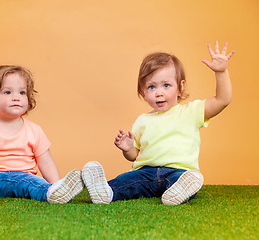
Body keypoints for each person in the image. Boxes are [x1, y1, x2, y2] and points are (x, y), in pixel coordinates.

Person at [82, 41, 235, 205]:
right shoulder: (142, 120)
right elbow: (135, 156)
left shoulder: (190, 112)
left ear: (180, 87)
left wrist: (221, 72)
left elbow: (222, 100)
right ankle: (106, 191)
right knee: (126, 181)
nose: (159, 93)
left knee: (183, 180)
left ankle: (177, 192)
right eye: (151, 87)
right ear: (143, 91)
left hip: (178, 171)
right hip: (145, 173)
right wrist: (128, 148)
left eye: (166, 85)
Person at [0, 65, 83, 205]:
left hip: (23, 176)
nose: (16, 98)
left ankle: (55, 192)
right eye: (7, 92)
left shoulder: (34, 130)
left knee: (38, 185)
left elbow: (46, 162)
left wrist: (56, 183)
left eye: (22, 93)